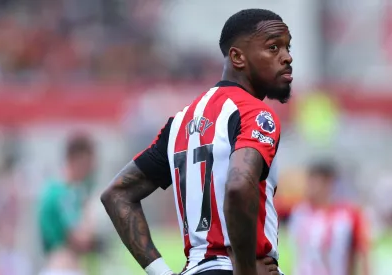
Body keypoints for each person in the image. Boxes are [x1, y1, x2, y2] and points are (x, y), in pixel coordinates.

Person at [101, 8, 292, 275]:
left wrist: (162, 273)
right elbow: (238, 186)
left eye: (287, 47)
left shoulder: (179, 122)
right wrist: (246, 270)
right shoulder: (255, 113)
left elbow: (117, 195)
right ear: (237, 57)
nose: (287, 57)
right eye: (273, 48)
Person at [288, 160, 370, 275]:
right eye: (308, 181)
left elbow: (362, 253)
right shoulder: (299, 212)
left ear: (328, 182)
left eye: (314, 181)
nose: (309, 186)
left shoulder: (348, 215)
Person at [37, 133, 98, 275]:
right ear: (77, 159)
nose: (91, 170)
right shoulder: (63, 193)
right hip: (63, 268)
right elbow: (80, 238)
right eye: (88, 164)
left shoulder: (57, 190)